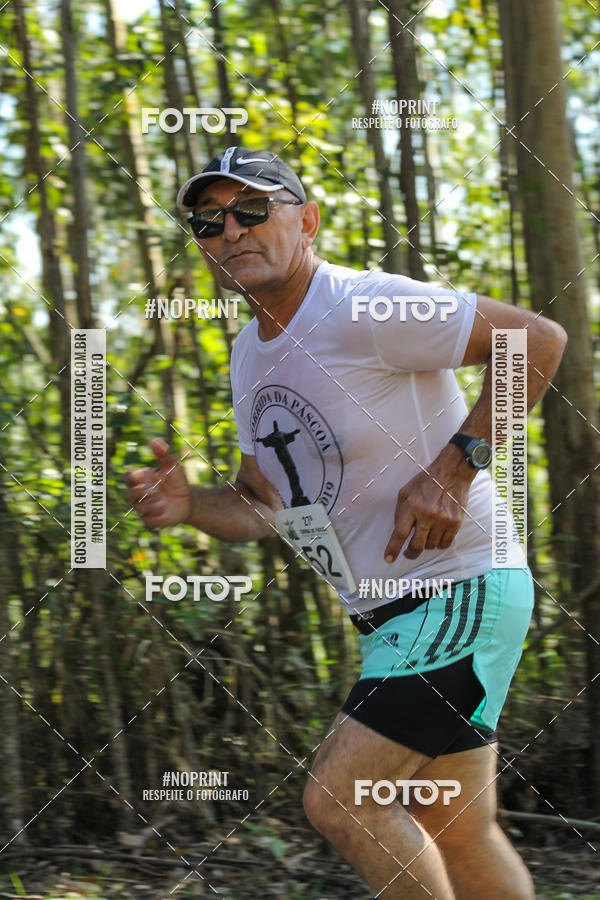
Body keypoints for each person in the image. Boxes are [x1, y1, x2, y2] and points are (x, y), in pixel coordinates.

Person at [125, 147, 567, 898]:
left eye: (252, 210)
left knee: (341, 800)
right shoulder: (248, 357)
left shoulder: (364, 305)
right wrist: (189, 505)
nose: (230, 230)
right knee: (455, 830)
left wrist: (453, 469)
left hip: (458, 586)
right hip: (389, 620)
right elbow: (267, 505)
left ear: (308, 221)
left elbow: (535, 340)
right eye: (208, 221)